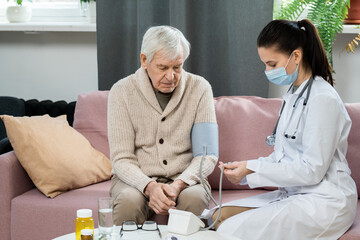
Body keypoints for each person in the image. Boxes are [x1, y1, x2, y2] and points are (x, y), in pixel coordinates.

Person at [210, 19, 357, 240]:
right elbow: (283, 157)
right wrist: (246, 169)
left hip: (325, 201)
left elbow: (311, 170)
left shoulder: (322, 99)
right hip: (296, 194)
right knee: (216, 216)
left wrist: (253, 168)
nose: (267, 71)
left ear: (295, 56)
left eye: (272, 64)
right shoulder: (293, 95)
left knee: (229, 230)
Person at [107, 25, 218, 226]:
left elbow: (206, 155)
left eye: (177, 67)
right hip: (134, 179)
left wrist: (178, 185)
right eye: (162, 67)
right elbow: (121, 158)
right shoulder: (121, 91)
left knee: (194, 198)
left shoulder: (200, 88)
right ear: (144, 61)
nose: (171, 76)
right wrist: (149, 186)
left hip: (185, 179)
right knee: (128, 202)